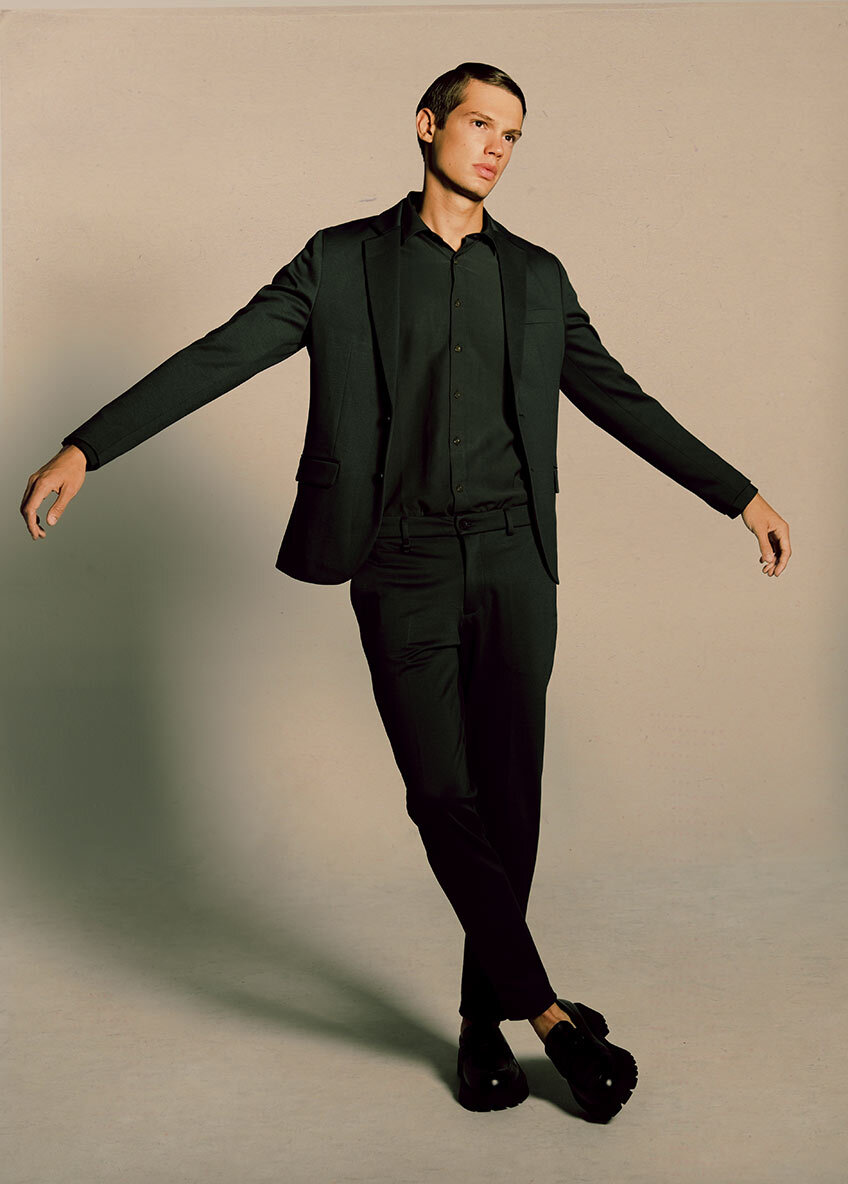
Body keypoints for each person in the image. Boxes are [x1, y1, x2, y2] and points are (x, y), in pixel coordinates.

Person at [19, 61, 791, 1121]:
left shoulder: (537, 277)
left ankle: (481, 1024)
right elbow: (221, 355)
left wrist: (737, 493)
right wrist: (87, 445)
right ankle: (549, 1016)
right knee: (441, 795)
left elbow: (620, 398)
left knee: (509, 801)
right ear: (427, 125)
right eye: (479, 123)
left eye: (512, 134)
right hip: (401, 564)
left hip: (514, 561)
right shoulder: (339, 264)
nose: (496, 148)